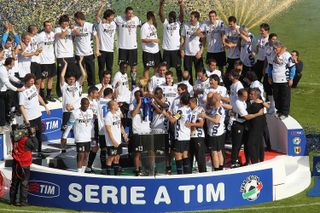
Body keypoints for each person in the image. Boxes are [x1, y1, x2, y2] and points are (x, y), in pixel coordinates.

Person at [230, 89, 264, 168]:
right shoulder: (238, 103)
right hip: (238, 124)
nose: (247, 97)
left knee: (246, 143)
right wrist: (258, 114)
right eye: (244, 96)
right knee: (237, 144)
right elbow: (246, 117)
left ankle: (247, 161)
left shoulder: (244, 101)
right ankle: (234, 162)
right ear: (239, 96)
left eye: (247, 95)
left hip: (243, 124)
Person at [19, 73, 50, 157]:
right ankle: (29, 154)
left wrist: (45, 106)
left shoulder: (33, 87)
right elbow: (21, 107)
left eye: (33, 81)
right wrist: (27, 120)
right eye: (31, 82)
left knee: (39, 135)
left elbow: (38, 96)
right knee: (31, 136)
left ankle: (39, 152)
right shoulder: (22, 91)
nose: (33, 83)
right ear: (26, 81)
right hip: (30, 117)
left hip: (37, 115)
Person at [60, 57, 87, 152]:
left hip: (76, 111)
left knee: (78, 129)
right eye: (70, 79)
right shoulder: (64, 87)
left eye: (73, 79)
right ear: (67, 80)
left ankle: (79, 145)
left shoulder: (78, 85)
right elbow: (62, 76)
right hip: (67, 112)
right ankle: (63, 148)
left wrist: (80, 63)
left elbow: (84, 74)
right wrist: (65, 65)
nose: (71, 81)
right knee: (64, 132)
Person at [62, 98, 94, 173]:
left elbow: (91, 124)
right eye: (84, 104)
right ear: (81, 104)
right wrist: (64, 136)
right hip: (79, 137)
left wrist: (92, 136)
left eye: (87, 104)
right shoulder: (75, 113)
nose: (86, 106)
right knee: (80, 155)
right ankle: (79, 172)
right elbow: (69, 125)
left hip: (88, 137)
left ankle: (83, 172)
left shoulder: (90, 112)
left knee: (86, 156)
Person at [163, 93, 191, 174]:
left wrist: (166, 115)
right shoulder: (189, 109)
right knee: (185, 155)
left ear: (181, 101)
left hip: (180, 136)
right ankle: (187, 174)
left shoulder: (181, 110)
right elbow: (178, 117)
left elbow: (172, 121)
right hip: (186, 136)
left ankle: (180, 174)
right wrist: (171, 115)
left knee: (178, 155)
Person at [10, 125, 38, 206]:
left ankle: (12, 201)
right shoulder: (26, 140)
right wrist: (33, 135)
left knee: (14, 183)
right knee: (24, 183)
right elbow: (35, 146)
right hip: (24, 165)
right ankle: (23, 202)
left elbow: (13, 132)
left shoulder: (13, 138)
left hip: (16, 163)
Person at [268, 41, 295, 120]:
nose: (274, 50)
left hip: (284, 80)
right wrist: (269, 76)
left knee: (285, 97)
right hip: (275, 79)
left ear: (280, 48)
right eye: (274, 48)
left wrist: (291, 78)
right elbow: (270, 66)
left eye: (276, 48)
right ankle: (279, 111)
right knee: (276, 96)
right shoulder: (272, 54)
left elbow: (292, 67)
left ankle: (285, 113)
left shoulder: (286, 55)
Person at [115, 6, 141, 87]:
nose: (130, 15)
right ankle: (122, 83)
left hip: (133, 47)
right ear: (125, 13)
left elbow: (141, 25)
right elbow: (111, 19)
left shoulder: (136, 19)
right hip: (123, 47)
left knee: (133, 66)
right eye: (129, 13)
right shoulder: (119, 19)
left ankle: (133, 84)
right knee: (122, 67)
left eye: (132, 13)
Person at [159, 0, 184, 81]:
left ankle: (180, 82)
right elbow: (161, 15)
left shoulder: (178, 24)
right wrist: (161, 4)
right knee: (166, 70)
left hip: (176, 50)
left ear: (175, 18)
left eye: (173, 17)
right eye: (170, 17)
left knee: (178, 69)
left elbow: (182, 15)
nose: (171, 19)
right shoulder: (165, 23)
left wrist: (181, 5)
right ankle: (166, 84)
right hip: (167, 50)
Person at [200, 93, 225, 171]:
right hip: (213, 133)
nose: (210, 99)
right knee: (218, 151)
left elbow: (216, 121)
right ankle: (220, 169)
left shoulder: (219, 109)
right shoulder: (214, 108)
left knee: (215, 152)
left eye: (212, 98)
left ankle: (217, 170)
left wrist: (205, 116)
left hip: (216, 134)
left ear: (216, 100)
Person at [73, 11, 99, 87]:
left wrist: (97, 50)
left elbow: (96, 37)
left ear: (79, 19)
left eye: (75, 20)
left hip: (89, 53)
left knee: (91, 73)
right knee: (79, 74)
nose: (75, 21)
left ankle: (92, 89)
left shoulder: (90, 26)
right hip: (79, 54)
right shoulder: (75, 27)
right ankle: (78, 89)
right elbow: (71, 39)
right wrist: (74, 33)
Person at [129, 90, 152, 176]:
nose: (140, 97)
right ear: (135, 97)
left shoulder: (146, 102)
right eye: (138, 96)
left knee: (149, 151)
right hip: (137, 131)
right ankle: (137, 170)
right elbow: (133, 114)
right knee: (137, 152)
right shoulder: (132, 104)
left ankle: (150, 168)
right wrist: (139, 104)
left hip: (146, 131)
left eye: (141, 96)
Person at [55, 14, 76, 98]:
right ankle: (60, 94)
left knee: (70, 74)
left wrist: (73, 28)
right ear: (60, 23)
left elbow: (74, 36)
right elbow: (62, 36)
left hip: (70, 54)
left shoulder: (69, 29)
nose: (65, 24)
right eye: (64, 23)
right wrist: (69, 29)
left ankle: (69, 91)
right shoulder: (57, 29)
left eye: (66, 22)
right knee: (61, 74)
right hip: (61, 55)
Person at [0, 57, 24, 131]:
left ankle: (6, 122)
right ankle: (2, 126)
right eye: (13, 64)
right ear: (9, 65)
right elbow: (7, 83)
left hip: (5, 91)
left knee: (6, 108)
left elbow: (11, 77)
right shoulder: (2, 71)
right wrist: (17, 89)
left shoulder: (7, 69)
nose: (13, 66)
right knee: (2, 109)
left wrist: (20, 82)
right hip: (1, 92)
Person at [105, 100, 129, 175]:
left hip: (118, 140)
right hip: (112, 141)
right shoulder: (108, 116)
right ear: (112, 106)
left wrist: (124, 135)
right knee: (111, 157)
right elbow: (108, 130)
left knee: (117, 157)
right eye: (116, 105)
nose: (118, 106)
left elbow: (120, 125)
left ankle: (116, 173)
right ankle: (108, 173)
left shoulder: (117, 114)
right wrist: (113, 141)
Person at [95, 1, 117, 82]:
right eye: (111, 16)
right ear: (107, 17)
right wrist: (102, 5)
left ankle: (109, 83)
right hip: (102, 50)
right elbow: (97, 16)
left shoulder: (114, 24)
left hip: (110, 50)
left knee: (109, 68)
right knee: (101, 68)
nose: (113, 17)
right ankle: (101, 83)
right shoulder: (101, 24)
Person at [181, 11, 204, 84]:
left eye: (192, 17)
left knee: (199, 72)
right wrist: (181, 49)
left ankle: (199, 86)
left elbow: (204, 40)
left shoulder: (201, 26)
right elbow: (183, 38)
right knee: (187, 72)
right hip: (187, 53)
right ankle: (189, 87)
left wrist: (200, 52)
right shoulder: (186, 25)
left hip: (197, 53)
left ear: (196, 18)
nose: (190, 19)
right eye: (190, 17)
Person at [247, 88, 268, 164]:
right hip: (261, 125)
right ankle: (260, 159)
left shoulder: (254, 105)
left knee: (251, 144)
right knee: (259, 143)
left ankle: (255, 161)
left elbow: (247, 115)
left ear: (256, 95)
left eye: (252, 94)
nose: (250, 95)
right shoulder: (261, 103)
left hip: (255, 126)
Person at [186, 97, 206, 173]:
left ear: (194, 103)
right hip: (189, 137)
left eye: (190, 103)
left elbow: (201, 124)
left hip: (198, 136)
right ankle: (188, 175)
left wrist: (191, 124)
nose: (189, 105)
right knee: (189, 157)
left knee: (200, 158)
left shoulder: (200, 110)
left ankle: (203, 175)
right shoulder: (188, 110)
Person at [38, 20, 56, 103]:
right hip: (43, 61)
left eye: (50, 25)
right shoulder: (40, 36)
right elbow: (36, 47)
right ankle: (42, 96)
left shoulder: (53, 34)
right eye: (47, 25)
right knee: (43, 79)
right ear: (44, 27)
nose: (49, 27)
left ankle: (49, 95)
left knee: (51, 78)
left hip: (52, 60)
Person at [97, 87, 113, 174]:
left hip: (101, 129)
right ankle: (110, 167)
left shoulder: (99, 102)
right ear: (110, 94)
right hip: (110, 129)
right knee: (111, 149)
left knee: (103, 149)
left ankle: (103, 167)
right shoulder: (112, 103)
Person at [141, 11, 161, 76]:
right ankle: (145, 85)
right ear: (151, 17)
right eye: (154, 16)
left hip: (156, 51)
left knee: (156, 68)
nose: (156, 17)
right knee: (147, 69)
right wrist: (153, 40)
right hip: (148, 51)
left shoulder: (154, 25)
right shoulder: (144, 26)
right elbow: (143, 39)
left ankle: (155, 83)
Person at [112, 62, 131, 127]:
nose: (125, 69)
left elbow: (126, 84)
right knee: (121, 117)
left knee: (126, 117)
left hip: (126, 99)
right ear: (120, 68)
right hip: (120, 100)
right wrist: (116, 99)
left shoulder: (125, 74)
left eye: (126, 67)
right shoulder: (117, 75)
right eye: (123, 68)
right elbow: (113, 86)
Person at [28, 25, 42, 89]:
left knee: (38, 81)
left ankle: (37, 97)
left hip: (37, 61)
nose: (37, 30)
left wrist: (39, 49)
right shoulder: (27, 38)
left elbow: (40, 47)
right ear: (33, 31)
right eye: (36, 29)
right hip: (30, 62)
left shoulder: (37, 37)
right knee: (31, 81)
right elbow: (26, 51)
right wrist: (34, 52)